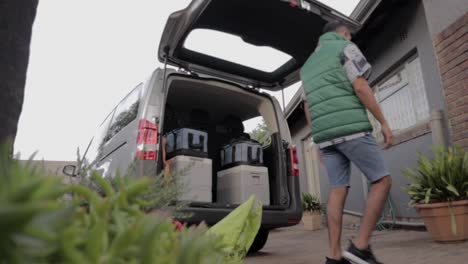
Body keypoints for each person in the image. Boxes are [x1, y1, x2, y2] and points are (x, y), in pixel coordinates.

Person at [300, 21, 394, 264]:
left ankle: (334, 256)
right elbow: (361, 87)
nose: (350, 40)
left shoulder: (307, 67)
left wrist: (320, 139)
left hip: (325, 136)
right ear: (343, 34)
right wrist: (382, 122)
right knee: (382, 180)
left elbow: (308, 106)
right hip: (351, 127)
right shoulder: (345, 47)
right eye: (349, 36)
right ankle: (360, 247)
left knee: (337, 190)